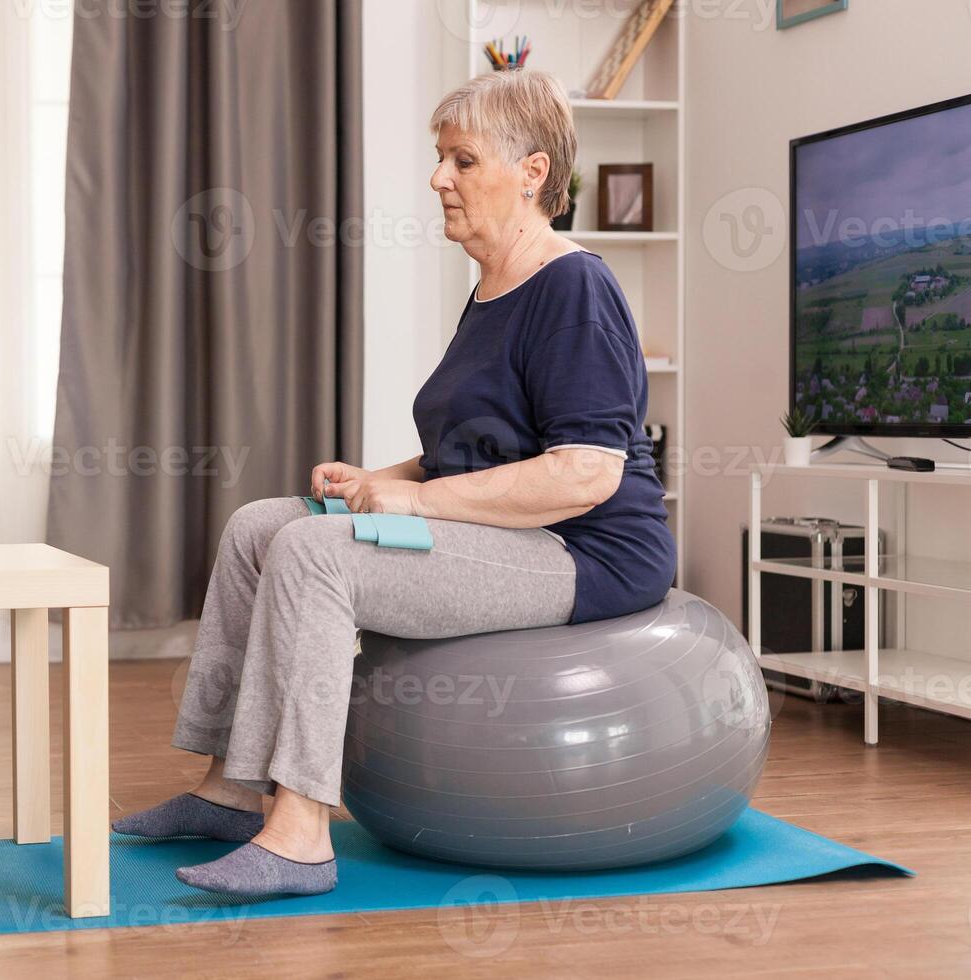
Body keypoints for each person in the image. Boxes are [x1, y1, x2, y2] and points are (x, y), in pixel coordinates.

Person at [113, 68, 676, 898]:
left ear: (532, 172)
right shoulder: (492, 290)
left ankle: (301, 833)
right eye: (440, 159)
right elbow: (479, 451)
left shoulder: (575, 287)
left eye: (462, 160)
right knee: (257, 528)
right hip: (504, 530)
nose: (438, 178)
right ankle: (231, 789)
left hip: (582, 550)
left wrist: (415, 500)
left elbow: (586, 472)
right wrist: (379, 479)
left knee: (312, 555)